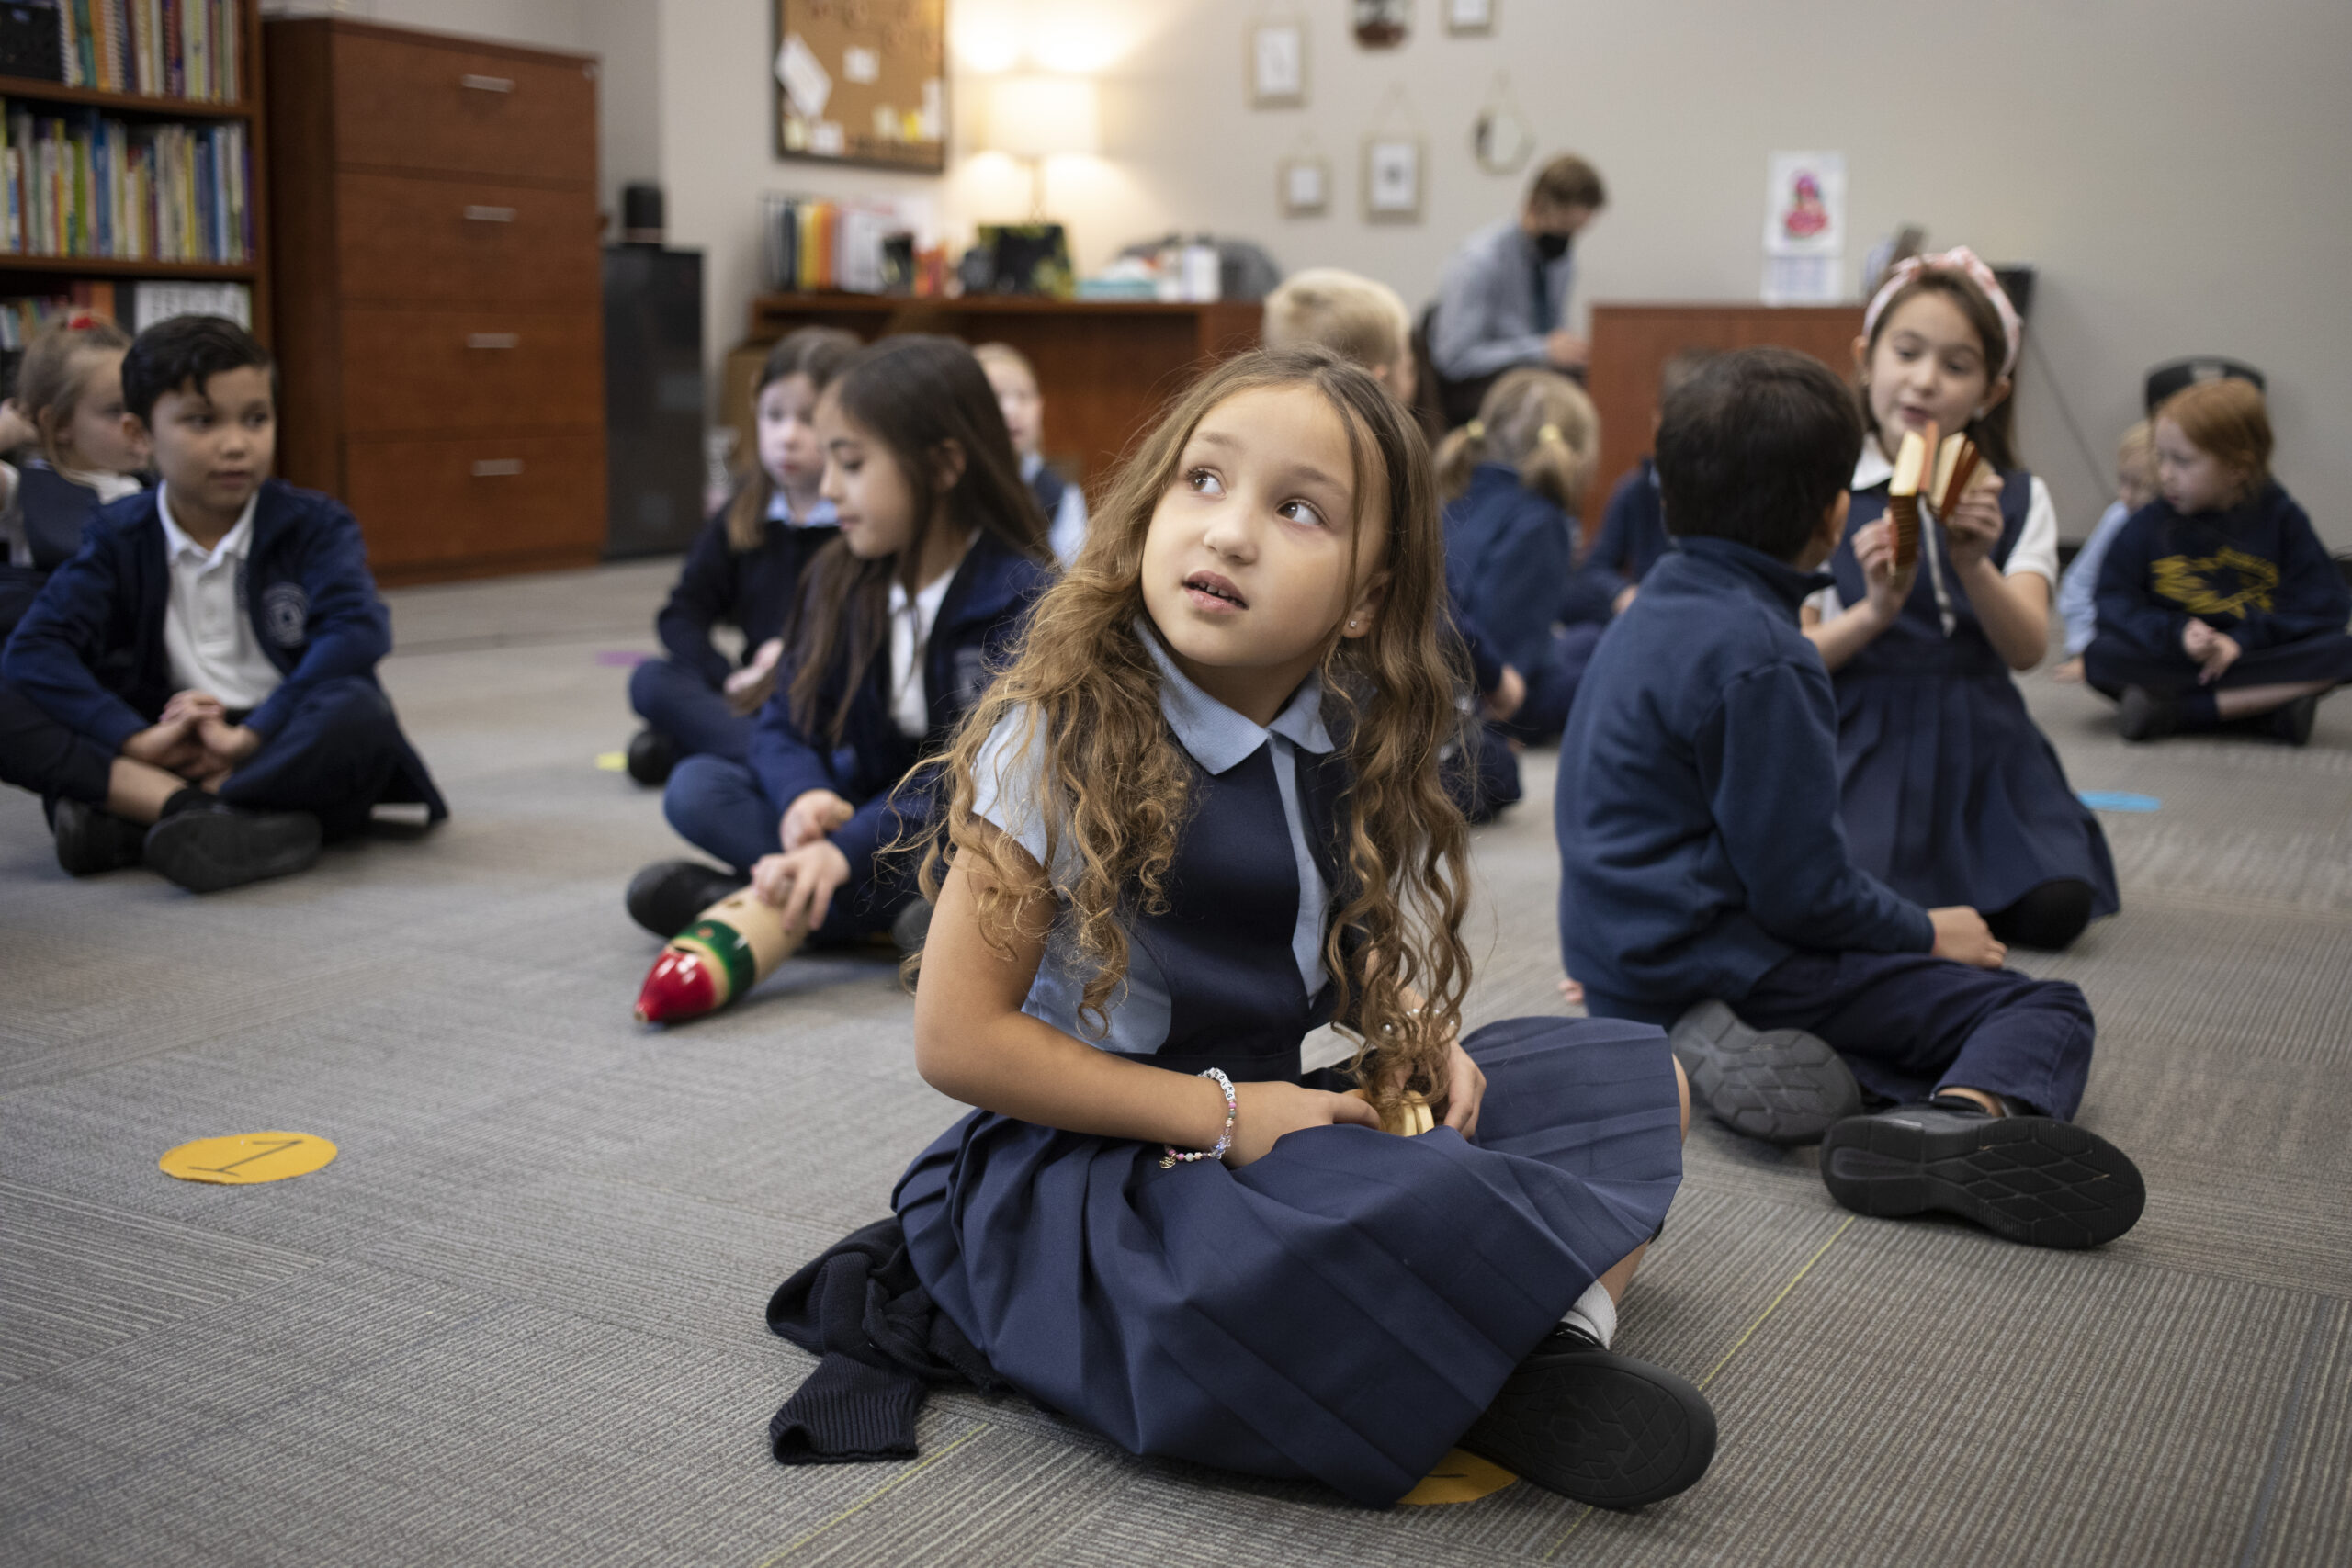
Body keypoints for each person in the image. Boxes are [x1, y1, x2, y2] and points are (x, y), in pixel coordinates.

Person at [772, 344, 1713, 1510]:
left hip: (1279, 1122)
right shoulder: (1055, 737)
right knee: (1394, 1210)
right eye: (1202, 483)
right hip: (1105, 1168)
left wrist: (1407, 1019)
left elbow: (1334, 927)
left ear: (1367, 598)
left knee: (1636, 1080)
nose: (1227, 534)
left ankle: (1549, 1349)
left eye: (1298, 510)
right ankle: (1504, 1346)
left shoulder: (1337, 725)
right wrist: (1230, 1116)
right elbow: (956, 1043)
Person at [1556, 346, 2143, 1250]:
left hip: (1616, 955)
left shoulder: (1650, 611)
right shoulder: (1765, 654)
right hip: (1722, 957)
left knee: (1863, 1015)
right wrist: (1925, 929)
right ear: (1835, 515)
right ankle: (1954, 1118)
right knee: (2038, 1006)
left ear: (1665, 497)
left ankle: (1682, 1037)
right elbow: (1803, 893)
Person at [625, 335, 1056, 951]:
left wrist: (843, 850)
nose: (828, 488)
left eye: (850, 465)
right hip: (863, 815)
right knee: (697, 787)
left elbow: (974, 776)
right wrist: (804, 794)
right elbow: (782, 721)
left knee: (989, 859)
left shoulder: (1024, 597)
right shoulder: (838, 576)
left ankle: (768, 906)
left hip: (956, 824)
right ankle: (887, 923)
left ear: (942, 466)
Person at [3, 314, 446, 892]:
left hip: (278, 730)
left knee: (357, 712)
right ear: (141, 436)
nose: (236, 443)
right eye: (201, 421)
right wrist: (134, 739)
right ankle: (204, 812)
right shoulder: (118, 533)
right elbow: (38, 649)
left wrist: (251, 736)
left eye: (256, 419)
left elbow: (357, 632)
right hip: (164, 738)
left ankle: (157, 816)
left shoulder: (313, 524)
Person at [1802, 250, 2115, 952]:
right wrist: (1874, 613)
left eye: (1956, 365)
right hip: (1862, 730)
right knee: (1852, 895)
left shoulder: (2018, 497)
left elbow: (2029, 647)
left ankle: (1961, 883)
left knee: (2059, 908)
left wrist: (1975, 564)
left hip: (1984, 737)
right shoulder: (1828, 491)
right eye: (1906, 352)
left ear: (1991, 392)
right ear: (1866, 357)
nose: (1924, 380)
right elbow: (1799, 655)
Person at [1262, 265, 1525, 818]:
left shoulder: (1256, 459)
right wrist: (1499, 679)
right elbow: (1440, 613)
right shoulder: (1394, 479)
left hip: (1277, 689)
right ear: (1381, 380)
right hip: (1365, 699)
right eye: (1409, 361)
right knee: (1498, 770)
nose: (1414, 373)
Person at [625, 327, 860, 785]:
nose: (787, 437)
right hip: (751, 691)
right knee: (651, 681)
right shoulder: (744, 511)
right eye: (774, 416)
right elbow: (681, 613)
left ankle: (731, 751)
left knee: (686, 765)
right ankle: (765, 756)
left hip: (823, 695)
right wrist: (727, 674)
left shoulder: (863, 519)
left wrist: (791, 660)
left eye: (808, 420)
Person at [2087, 378, 2352, 743]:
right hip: (2178, 656)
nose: (2164, 474)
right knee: (2101, 656)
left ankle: (2178, 712)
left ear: (2236, 469)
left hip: (2252, 655)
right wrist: (2177, 634)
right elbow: (2113, 600)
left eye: (2182, 461)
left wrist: (2242, 641)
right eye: (2160, 457)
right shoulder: (2151, 521)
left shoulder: (2281, 517)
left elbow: (2325, 606)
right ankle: (2266, 712)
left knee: (2340, 652)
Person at [0, 318, 155, 852]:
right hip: (71, 664)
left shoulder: (153, 485)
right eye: (115, 412)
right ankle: (89, 808)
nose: (139, 424)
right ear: (58, 423)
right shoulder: (25, 489)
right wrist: (12, 428)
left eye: (145, 405)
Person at [1433, 367, 1606, 741]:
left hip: (1452, 663)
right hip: (1483, 692)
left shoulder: (1455, 495)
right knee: (1610, 661)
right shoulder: (1541, 521)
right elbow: (1507, 660)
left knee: (1590, 639)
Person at [1427, 154, 1607, 422]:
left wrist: (1566, 350)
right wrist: (1541, 349)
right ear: (1534, 206)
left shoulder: (1560, 263)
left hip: (1532, 379)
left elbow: (1553, 332)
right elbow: (1455, 359)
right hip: (1474, 388)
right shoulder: (1479, 261)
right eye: (1563, 226)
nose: (1567, 239)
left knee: (1599, 381)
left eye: (1576, 230)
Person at [1585, 349, 1716, 614]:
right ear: (1657, 423)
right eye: (1682, 430)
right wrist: (1620, 593)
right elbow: (1593, 571)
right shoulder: (1635, 491)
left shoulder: (1735, 497)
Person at [2051, 421, 2155, 682]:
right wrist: (2084, 647)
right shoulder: (2119, 517)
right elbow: (2078, 584)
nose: (2126, 495)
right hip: (2118, 635)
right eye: (2123, 481)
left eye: (2142, 486)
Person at [974, 342, 1087, 565]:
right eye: (996, 397)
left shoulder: (1062, 497)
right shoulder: (950, 489)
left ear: (1039, 406)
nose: (1012, 410)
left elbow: (1071, 579)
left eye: (1024, 397)